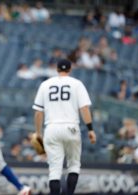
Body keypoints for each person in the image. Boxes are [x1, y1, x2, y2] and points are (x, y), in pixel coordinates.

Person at [32, 59, 97, 195]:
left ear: (57, 70)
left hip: (51, 128)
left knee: (54, 170)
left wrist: (38, 133)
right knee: (73, 165)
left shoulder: (45, 84)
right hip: (71, 127)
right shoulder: (77, 84)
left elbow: (38, 112)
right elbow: (84, 108)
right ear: (70, 69)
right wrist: (90, 129)